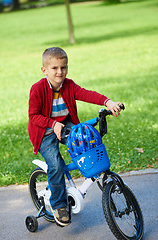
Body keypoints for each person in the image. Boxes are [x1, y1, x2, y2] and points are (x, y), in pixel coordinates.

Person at [28, 47, 122, 227]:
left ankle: (88, 176)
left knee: (86, 141)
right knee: (56, 165)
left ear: (67, 68)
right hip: (44, 132)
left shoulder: (68, 85)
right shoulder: (38, 89)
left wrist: (107, 102)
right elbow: (33, 116)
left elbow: (86, 94)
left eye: (63, 67)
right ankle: (59, 206)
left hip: (64, 126)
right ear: (44, 70)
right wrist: (52, 124)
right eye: (54, 68)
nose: (59, 72)